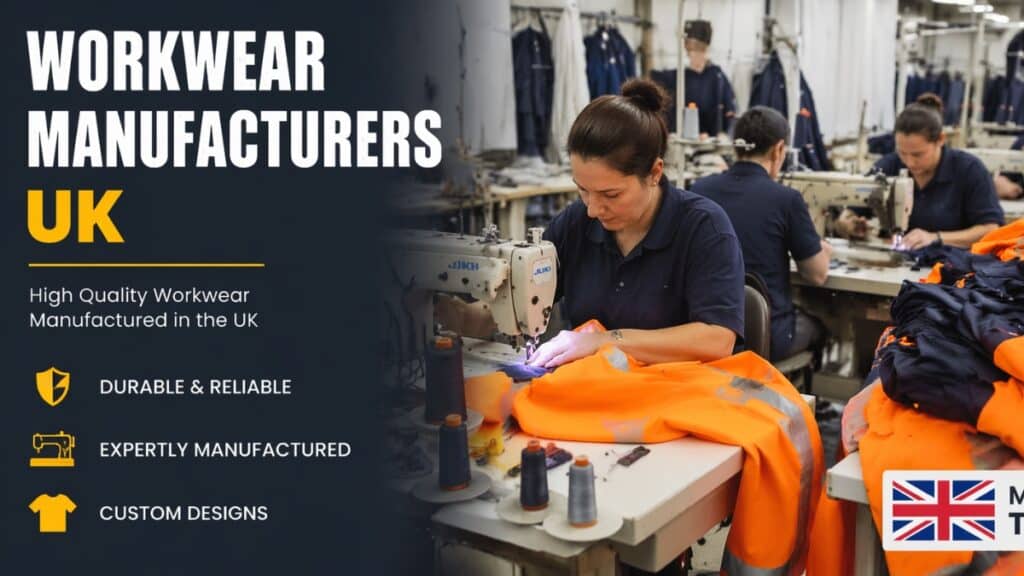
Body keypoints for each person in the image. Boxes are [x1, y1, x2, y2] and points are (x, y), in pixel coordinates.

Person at [441, 80, 745, 373]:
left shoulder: (704, 228)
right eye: (582, 190)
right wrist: (439, 308)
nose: (593, 209)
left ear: (654, 172)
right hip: (596, 394)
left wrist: (601, 341)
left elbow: (717, 339)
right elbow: (497, 314)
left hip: (679, 398)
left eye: (610, 194)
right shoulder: (574, 225)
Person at [692, 106, 832, 362]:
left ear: (737, 147)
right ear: (779, 149)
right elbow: (817, 274)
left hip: (703, 336)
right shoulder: (786, 199)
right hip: (765, 336)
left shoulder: (700, 189)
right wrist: (824, 249)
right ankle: (806, 397)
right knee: (821, 327)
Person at [839, 95, 1004, 249]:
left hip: (951, 268)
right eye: (902, 153)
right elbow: (853, 209)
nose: (909, 162)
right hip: (897, 262)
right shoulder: (887, 167)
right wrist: (848, 222)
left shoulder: (969, 170)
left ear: (940, 139)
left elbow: (991, 229)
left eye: (918, 154)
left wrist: (936, 238)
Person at [682, 20, 737, 139]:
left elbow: (730, 109)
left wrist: (722, 134)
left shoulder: (717, 76)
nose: (692, 55)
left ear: (704, 50)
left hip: (712, 140)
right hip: (687, 138)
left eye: (696, 51)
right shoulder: (683, 77)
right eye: (689, 51)